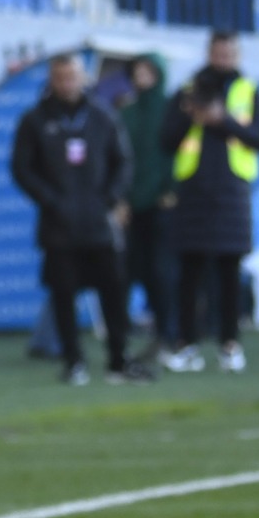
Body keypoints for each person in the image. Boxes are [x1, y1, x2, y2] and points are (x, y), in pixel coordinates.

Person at [10, 55, 145, 385]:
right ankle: (73, 361)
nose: (67, 83)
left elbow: (123, 161)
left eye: (72, 76)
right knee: (63, 294)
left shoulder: (102, 116)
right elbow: (22, 168)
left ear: (83, 78)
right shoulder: (35, 120)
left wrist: (109, 199)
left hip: (99, 225)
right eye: (60, 77)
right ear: (52, 80)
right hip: (58, 226)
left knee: (113, 291)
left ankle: (118, 359)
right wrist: (51, 200)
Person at [160, 32, 259, 373]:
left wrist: (224, 120)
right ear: (209, 52)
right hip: (193, 191)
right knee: (189, 273)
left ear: (237, 54)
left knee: (229, 273)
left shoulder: (247, 90)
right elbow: (166, 139)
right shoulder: (187, 90)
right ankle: (186, 344)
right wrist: (192, 116)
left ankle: (230, 345)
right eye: (218, 53)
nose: (223, 59)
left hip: (232, 192)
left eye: (229, 53)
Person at [117, 55, 176, 351]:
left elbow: (179, 153)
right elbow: (119, 158)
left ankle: (167, 333)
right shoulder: (126, 113)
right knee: (128, 270)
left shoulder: (171, 109)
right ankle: (122, 332)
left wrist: (171, 189)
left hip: (162, 205)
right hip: (131, 205)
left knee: (161, 271)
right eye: (137, 71)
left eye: (147, 71)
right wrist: (120, 198)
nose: (141, 77)